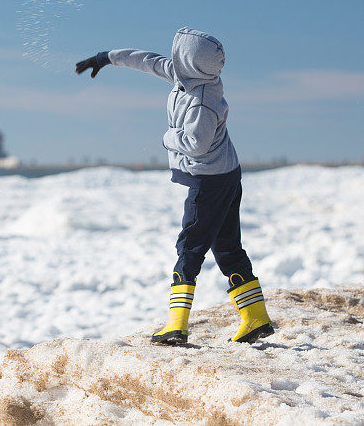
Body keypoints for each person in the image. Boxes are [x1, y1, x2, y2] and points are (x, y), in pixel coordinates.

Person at [75, 27, 274, 345]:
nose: (172, 57)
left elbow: (196, 143)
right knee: (226, 248)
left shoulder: (202, 102)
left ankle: (176, 325)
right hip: (225, 175)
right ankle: (257, 319)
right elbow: (148, 61)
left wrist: (168, 137)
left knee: (190, 248)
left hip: (210, 181)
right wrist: (106, 58)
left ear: (189, 62)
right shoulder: (188, 76)